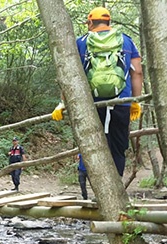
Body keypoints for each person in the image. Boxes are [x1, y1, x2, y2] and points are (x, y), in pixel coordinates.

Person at [51, 7, 143, 176]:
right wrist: (135, 101)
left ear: (91, 22)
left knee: (93, 147)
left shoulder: (81, 42)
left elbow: (70, 76)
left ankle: (96, 190)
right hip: (121, 102)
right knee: (118, 147)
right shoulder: (126, 41)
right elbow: (137, 72)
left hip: (91, 104)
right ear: (109, 22)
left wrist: (62, 103)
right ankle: (117, 188)